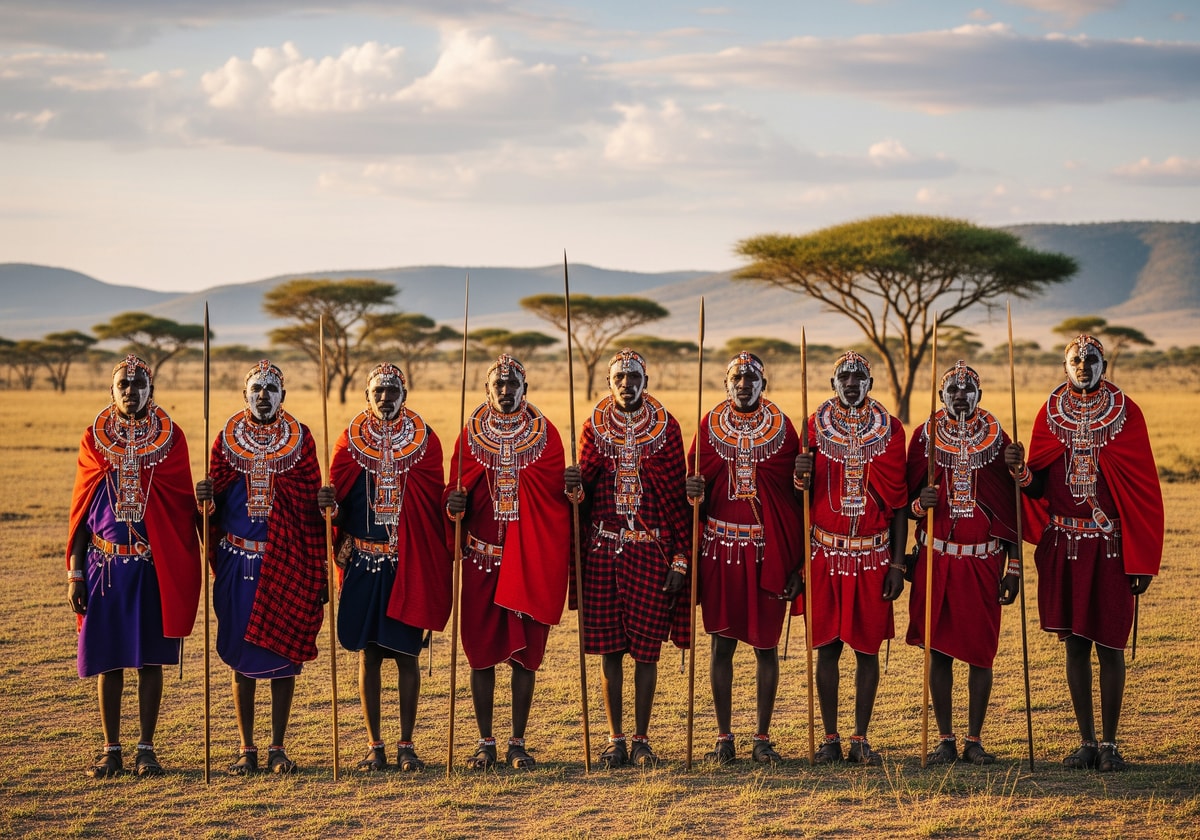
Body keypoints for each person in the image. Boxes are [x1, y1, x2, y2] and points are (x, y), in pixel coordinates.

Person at [1005, 335, 1163, 772]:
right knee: (1074, 644)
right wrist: (1020, 471)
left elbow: (1143, 490)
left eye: (1091, 359)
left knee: (1109, 644)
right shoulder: (1049, 413)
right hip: (1065, 545)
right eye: (1075, 360)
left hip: (1110, 547)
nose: (1083, 366)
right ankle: (1086, 742)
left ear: (1105, 364)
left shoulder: (1127, 414)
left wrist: (1142, 559)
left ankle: (1111, 744)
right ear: (1064, 364)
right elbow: (1037, 486)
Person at [66, 354, 201, 778]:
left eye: (138, 383)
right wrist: (75, 572)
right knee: (109, 661)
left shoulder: (171, 439)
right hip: (103, 566)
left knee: (150, 661)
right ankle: (111, 750)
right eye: (122, 383)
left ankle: (146, 749)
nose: (130, 390)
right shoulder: (94, 438)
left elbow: (181, 508)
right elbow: (81, 513)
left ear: (151, 390)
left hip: (151, 568)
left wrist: (206, 504)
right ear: (112, 391)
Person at [195, 360, 327, 775]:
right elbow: (211, 510)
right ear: (245, 394)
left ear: (283, 396)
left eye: (272, 389)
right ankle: (246, 748)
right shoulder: (225, 441)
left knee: (283, 654)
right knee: (241, 655)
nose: (264, 395)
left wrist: (326, 507)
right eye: (257, 388)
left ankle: (278, 747)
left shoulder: (301, 441)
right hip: (237, 561)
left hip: (285, 558)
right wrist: (204, 498)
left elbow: (310, 507)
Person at [321, 363, 451, 773]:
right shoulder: (349, 441)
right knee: (369, 655)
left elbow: (433, 504)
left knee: (407, 654)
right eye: (378, 391)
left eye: (392, 390)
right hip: (362, 561)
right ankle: (375, 746)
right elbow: (339, 498)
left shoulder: (426, 442)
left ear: (404, 394)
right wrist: (330, 505)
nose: (385, 398)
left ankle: (406, 745)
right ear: (367, 395)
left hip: (405, 563)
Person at [564, 349, 692, 768]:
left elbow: (677, 502)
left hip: (650, 551)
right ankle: (615, 738)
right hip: (603, 550)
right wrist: (574, 488)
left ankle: (641, 740)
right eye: (619, 377)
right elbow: (581, 499)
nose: (626, 383)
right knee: (609, 650)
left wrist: (680, 559)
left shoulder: (667, 429)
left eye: (633, 377)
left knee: (647, 651)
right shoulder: (593, 428)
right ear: (608, 382)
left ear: (645, 381)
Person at [445, 354, 570, 771]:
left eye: (512, 383)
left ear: (525, 388)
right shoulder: (470, 435)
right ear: (486, 389)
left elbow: (557, 500)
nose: (505, 389)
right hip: (482, 558)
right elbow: (454, 489)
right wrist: (454, 504)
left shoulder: (547, 436)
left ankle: (518, 741)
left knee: (525, 655)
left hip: (527, 560)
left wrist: (574, 492)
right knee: (480, 654)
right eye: (498, 383)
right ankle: (485, 742)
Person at [685, 351, 804, 765]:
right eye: (737, 377)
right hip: (720, 550)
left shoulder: (784, 429)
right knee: (721, 645)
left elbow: (795, 499)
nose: (744, 384)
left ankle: (763, 737)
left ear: (763, 385)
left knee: (765, 647)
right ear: (726, 383)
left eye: (752, 378)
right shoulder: (709, 424)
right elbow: (695, 486)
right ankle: (723, 736)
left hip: (764, 552)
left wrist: (797, 564)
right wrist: (694, 489)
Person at [794, 351, 907, 766]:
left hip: (873, 556)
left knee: (867, 650)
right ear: (833, 382)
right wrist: (798, 473)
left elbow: (897, 502)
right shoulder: (813, 425)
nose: (852, 382)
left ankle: (860, 738)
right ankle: (829, 738)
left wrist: (897, 564)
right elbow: (799, 496)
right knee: (826, 648)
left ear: (870, 383)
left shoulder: (891, 429)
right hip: (825, 550)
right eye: (845, 377)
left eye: (859, 376)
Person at [905, 361, 1019, 765]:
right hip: (937, 558)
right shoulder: (924, 437)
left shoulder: (997, 437)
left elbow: (1012, 508)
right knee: (939, 652)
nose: (959, 393)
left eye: (967, 387)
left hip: (983, 561)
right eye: (951, 388)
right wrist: (923, 502)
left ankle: (974, 740)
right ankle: (945, 739)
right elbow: (906, 505)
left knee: (980, 653)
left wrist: (1015, 567)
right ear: (941, 396)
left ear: (979, 395)